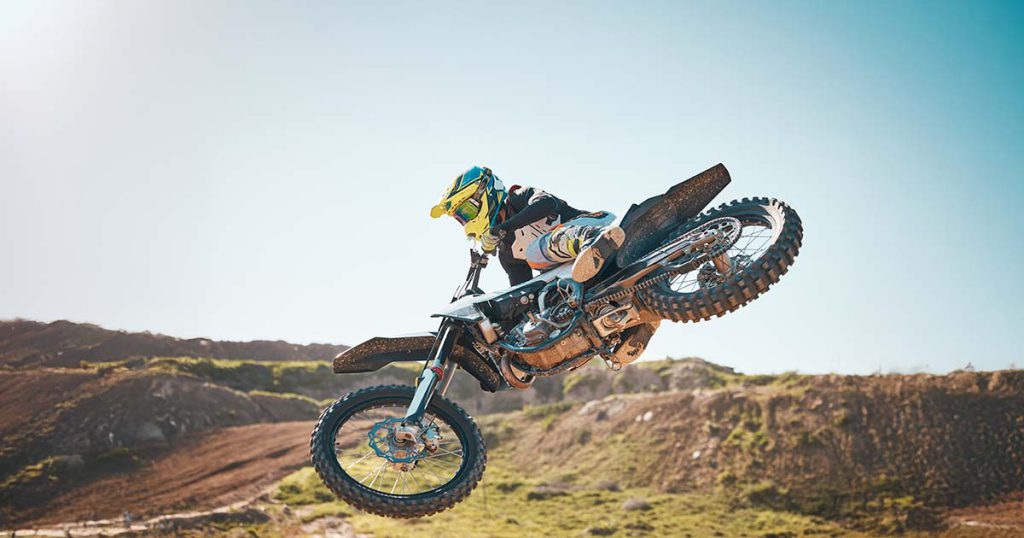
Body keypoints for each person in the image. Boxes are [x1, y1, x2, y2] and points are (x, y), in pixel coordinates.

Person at [430, 166, 625, 286]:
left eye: (466, 213)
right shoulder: (508, 254)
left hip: (598, 225)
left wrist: (505, 227)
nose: (467, 222)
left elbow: (547, 203)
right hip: (582, 270)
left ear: (484, 192)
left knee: (535, 252)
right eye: (461, 219)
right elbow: (522, 294)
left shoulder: (518, 197)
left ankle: (592, 239)